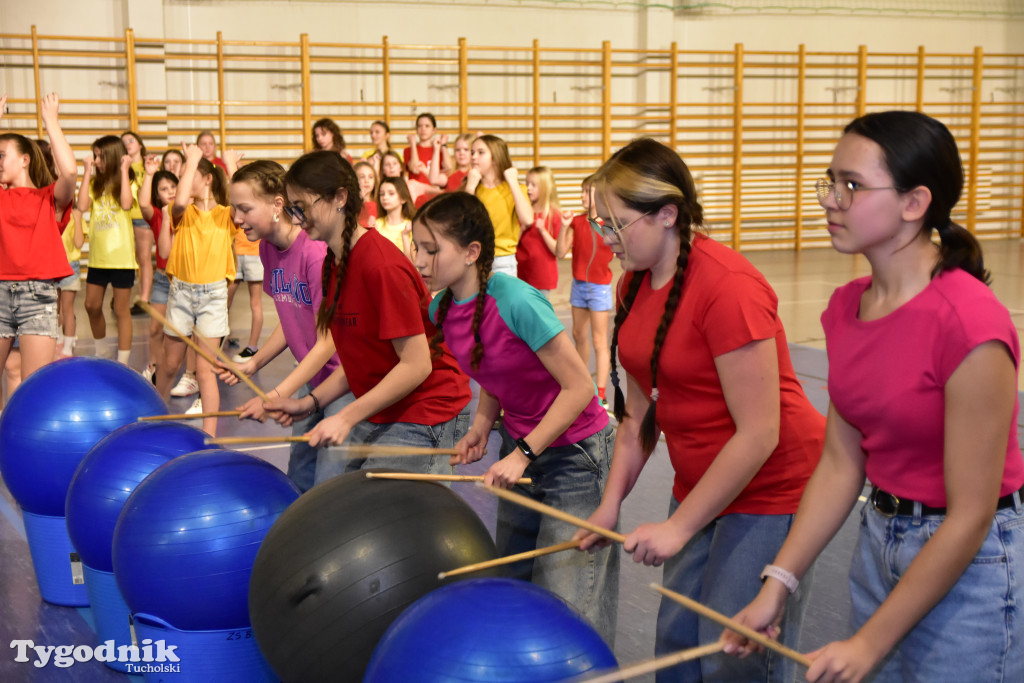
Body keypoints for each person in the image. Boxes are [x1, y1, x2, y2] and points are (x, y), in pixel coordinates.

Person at [725, 111, 1024, 683]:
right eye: (830, 182)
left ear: (915, 203)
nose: (830, 200)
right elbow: (840, 464)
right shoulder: (846, 307)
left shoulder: (968, 322)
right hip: (880, 544)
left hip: (974, 567)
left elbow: (971, 513)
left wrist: (868, 643)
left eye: (852, 186)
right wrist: (777, 584)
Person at [574, 137, 825, 683]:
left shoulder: (727, 286)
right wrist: (609, 505)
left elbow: (759, 432)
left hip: (772, 486)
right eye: (600, 224)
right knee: (677, 647)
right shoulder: (632, 286)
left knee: (732, 657)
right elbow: (637, 417)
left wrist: (679, 527)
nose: (605, 238)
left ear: (667, 214)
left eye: (615, 224)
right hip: (703, 482)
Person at [413, 191, 619, 644]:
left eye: (432, 249)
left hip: (575, 454)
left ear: (471, 253)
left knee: (568, 600)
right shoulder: (442, 309)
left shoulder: (516, 300)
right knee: (513, 584)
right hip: (522, 449)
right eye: (417, 247)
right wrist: (482, 426)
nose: (421, 260)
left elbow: (580, 387)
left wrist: (523, 453)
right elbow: (495, 369)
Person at [263, 150, 472, 480]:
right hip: (387, 407)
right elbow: (362, 360)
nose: (296, 217)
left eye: (302, 207)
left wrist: (346, 416)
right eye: (292, 208)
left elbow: (417, 365)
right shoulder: (333, 263)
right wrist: (309, 404)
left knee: (380, 514)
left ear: (340, 198)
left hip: (427, 408)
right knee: (339, 497)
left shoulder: (380, 266)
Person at [220, 159, 345, 492]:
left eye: (244, 208)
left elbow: (329, 341)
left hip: (344, 381)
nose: (236, 218)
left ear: (277, 205)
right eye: (234, 209)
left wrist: (277, 393)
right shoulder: (267, 248)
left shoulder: (315, 253)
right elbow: (292, 317)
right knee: (300, 474)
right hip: (312, 375)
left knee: (330, 481)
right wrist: (254, 362)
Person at [154, 143, 236, 436]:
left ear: (209, 179)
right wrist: (192, 161)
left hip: (213, 296)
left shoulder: (227, 215)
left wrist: (228, 163)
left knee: (205, 372)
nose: (185, 183)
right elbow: (177, 202)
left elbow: (242, 201)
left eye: (192, 174)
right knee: (169, 364)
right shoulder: (182, 212)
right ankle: (156, 420)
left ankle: (210, 438)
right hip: (182, 294)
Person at [0, 93, 75, 380]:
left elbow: (69, 171)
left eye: (1, 155)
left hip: (38, 296)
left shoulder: (48, 200)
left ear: (24, 160)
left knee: (35, 385)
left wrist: (51, 122)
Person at [556, 174, 614, 406]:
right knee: (579, 336)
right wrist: (563, 227)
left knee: (600, 341)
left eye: (587, 191)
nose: (581, 195)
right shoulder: (577, 222)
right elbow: (560, 252)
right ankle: (582, 385)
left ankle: (601, 393)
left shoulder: (608, 224)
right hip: (579, 286)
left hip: (600, 288)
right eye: (581, 190)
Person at [78, 134, 137, 364]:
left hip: (121, 258)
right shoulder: (94, 184)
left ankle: (123, 361)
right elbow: (82, 205)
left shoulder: (128, 180)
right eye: (94, 156)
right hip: (98, 258)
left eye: (99, 157)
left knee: (122, 310)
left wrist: (123, 171)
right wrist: (86, 173)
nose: (96, 161)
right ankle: (101, 350)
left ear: (111, 157)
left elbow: (126, 203)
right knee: (91, 305)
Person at [464, 135, 532, 277]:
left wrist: (513, 182)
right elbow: (463, 223)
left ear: (495, 157)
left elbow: (527, 219)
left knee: (502, 300)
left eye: (480, 152)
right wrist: (470, 188)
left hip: (504, 261)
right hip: (475, 259)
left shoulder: (515, 188)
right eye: (472, 152)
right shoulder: (471, 188)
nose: (473, 157)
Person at [138, 158, 178, 383]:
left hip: (184, 280)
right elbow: (143, 203)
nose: (170, 191)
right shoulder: (157, 214)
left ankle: (187, 372)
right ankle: (153, 365)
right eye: (164, 189)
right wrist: (149, 174)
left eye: (173, 186)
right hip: (163, 280)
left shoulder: (186, 211)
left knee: (183, 333)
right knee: (155, 328)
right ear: (157, 195)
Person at [516, 165, 561, 296]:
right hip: (521, 274)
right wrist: (522, 229)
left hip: (542, 277)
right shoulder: (522, 212)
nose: (528, 188)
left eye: (533, 185)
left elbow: (557, 250)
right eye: (527, 183)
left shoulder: (554, 215)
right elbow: (512, 243)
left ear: (545, 188)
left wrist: (543, 231)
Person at [122, 130, 152, 314]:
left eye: (131, 140)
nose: (127, 144)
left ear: (140, 144)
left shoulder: (146, 165)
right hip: (123, 219)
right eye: (123, 141)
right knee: (126, 260)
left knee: (144, 258)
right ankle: (124, 296)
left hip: (141, 217)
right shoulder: (123, 167)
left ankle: (144, 298)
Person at [374, 176, 415, 259]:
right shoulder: (376, 225)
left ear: (403, 198)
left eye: (391, 193)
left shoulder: (411, 226)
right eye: (382, 194)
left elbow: (412, 263)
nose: (385, 197)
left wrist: (405, 236)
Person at [403, 113, 438, 185]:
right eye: (420, 126)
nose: (423, 129)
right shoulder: (408, 150)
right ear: (416, 129)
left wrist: (444, 146)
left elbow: (448, 169)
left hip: (434, 192)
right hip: (415, 192)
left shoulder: (438, 150)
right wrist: (413, 144)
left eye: (427, 126)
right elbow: (415, 169)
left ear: (434, 130)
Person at [354, 160, 378, 228]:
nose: (367, 181)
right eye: (362, 177)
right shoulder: (350, 203)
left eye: (370, 177)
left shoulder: (379, 202)